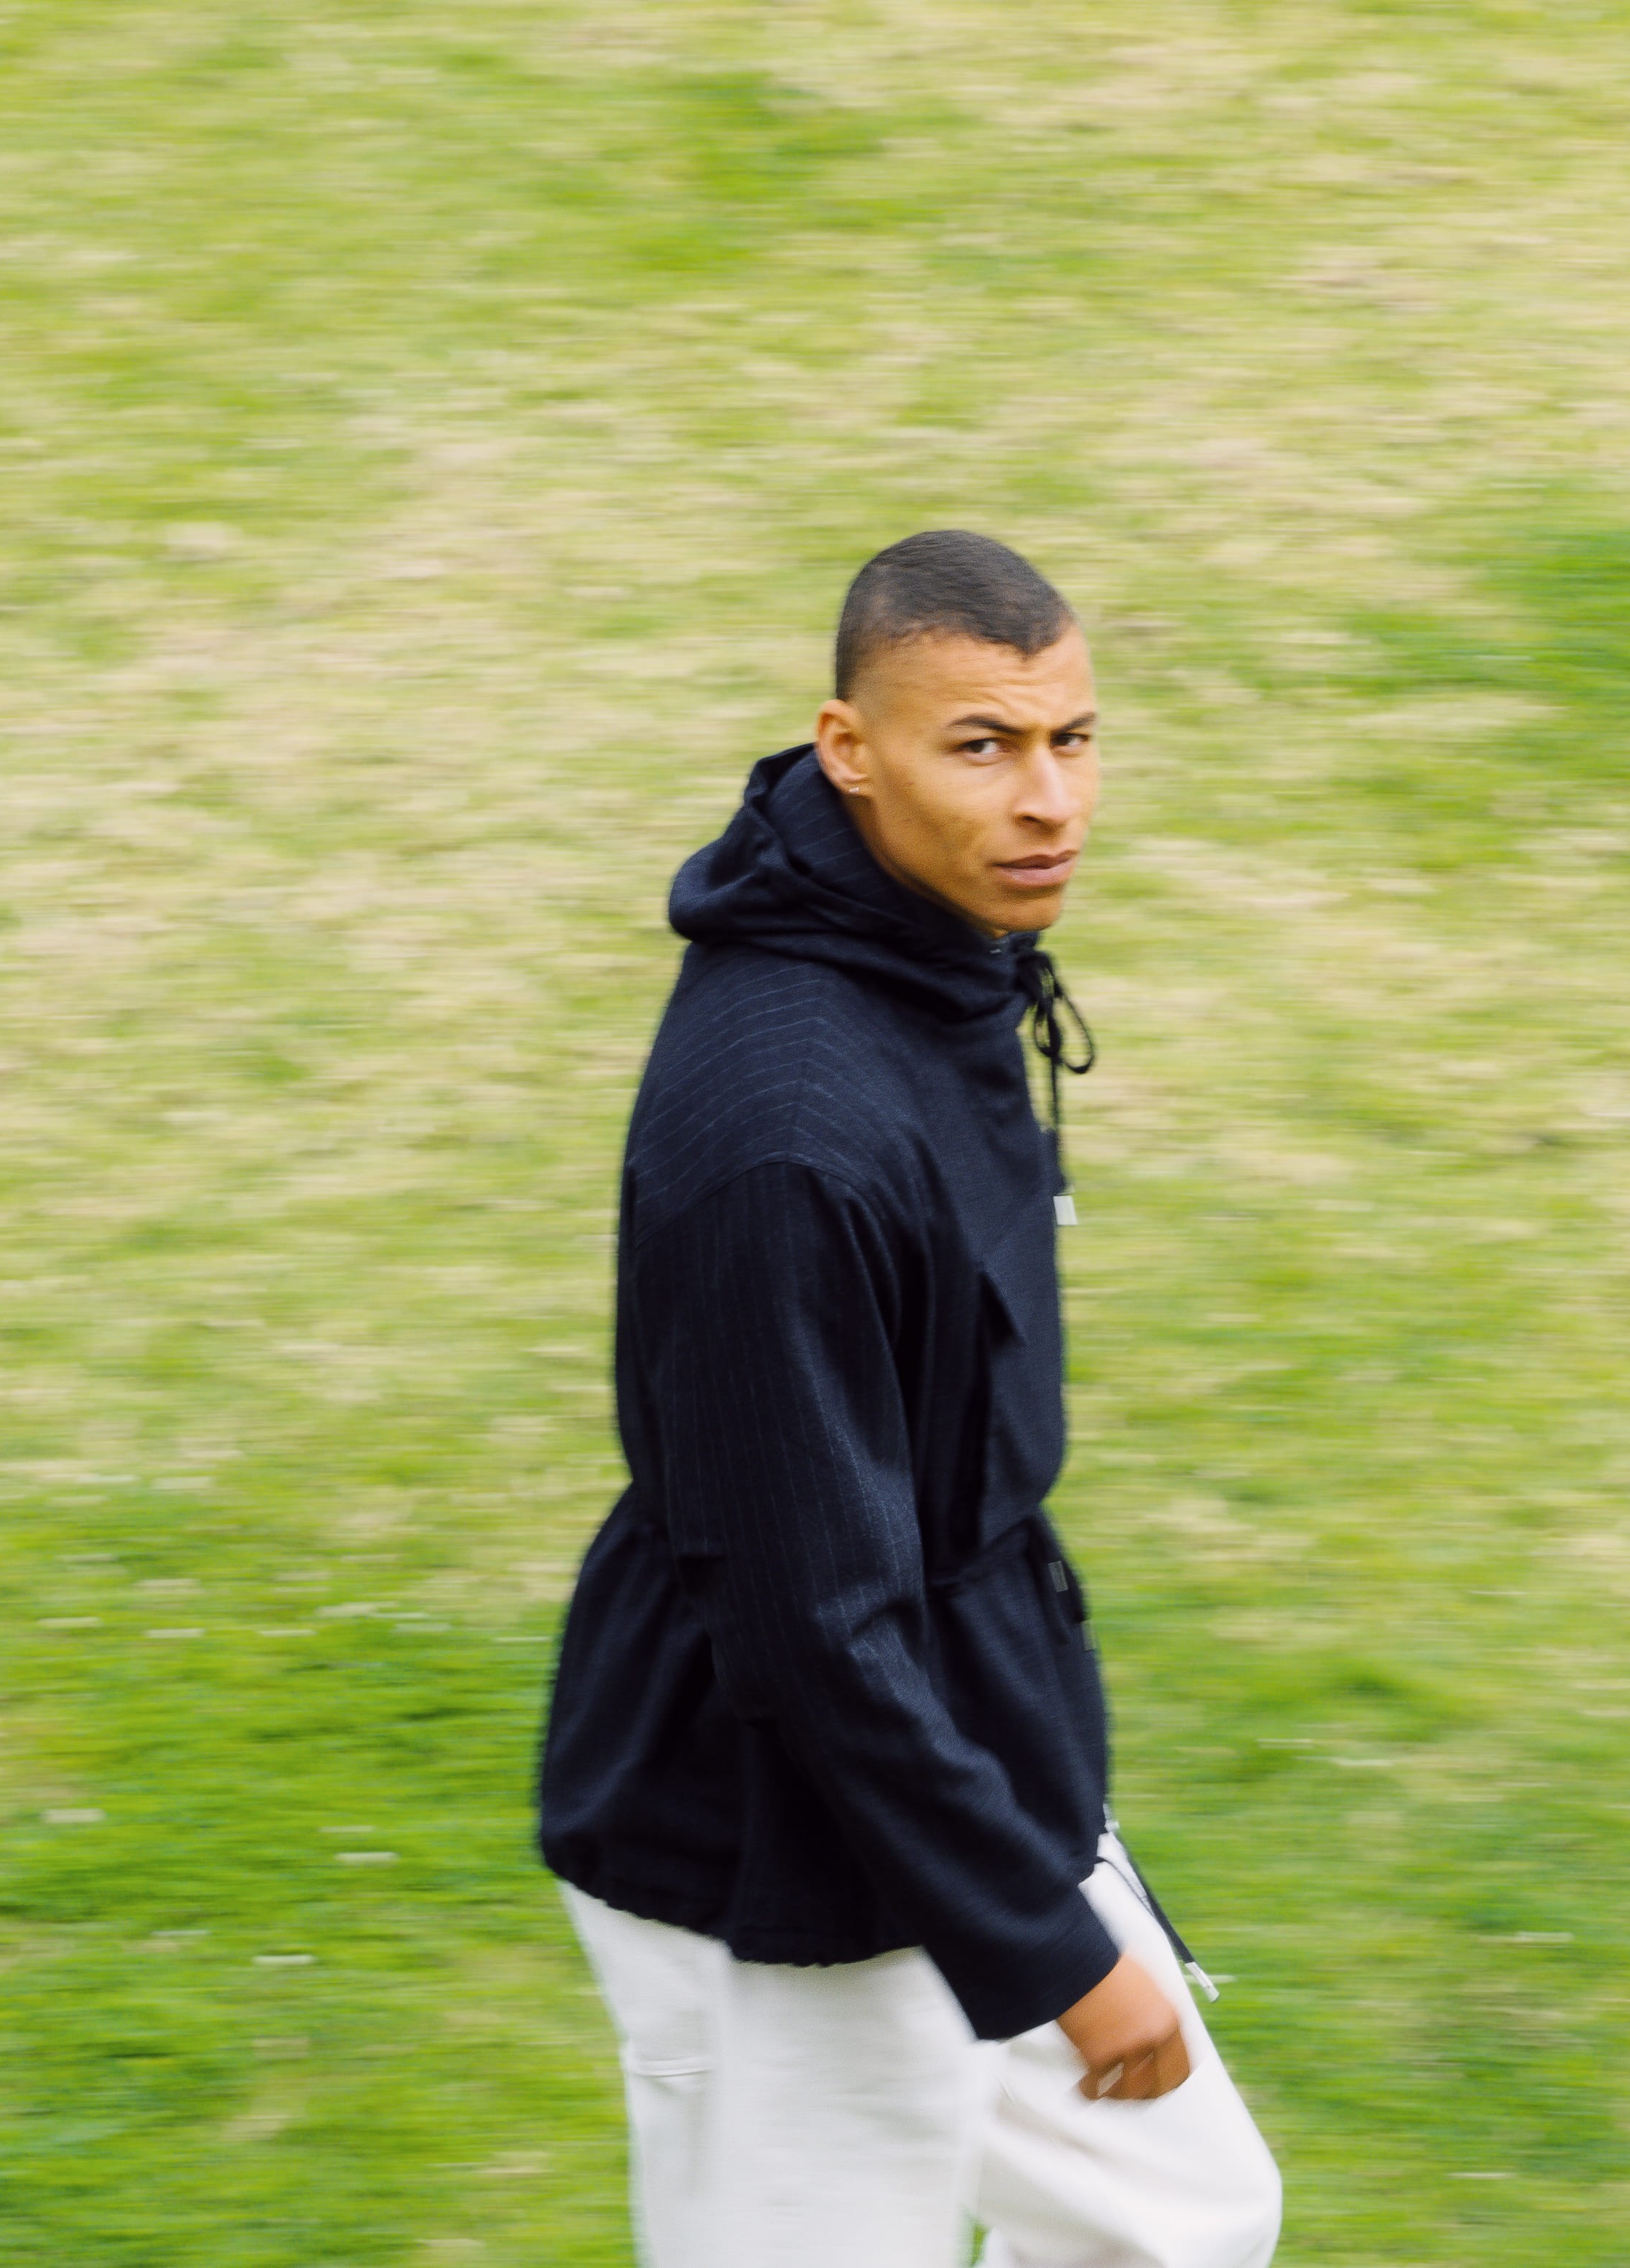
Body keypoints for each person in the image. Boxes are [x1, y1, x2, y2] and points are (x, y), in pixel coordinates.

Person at [539, 531, 1281, 2268]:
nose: (1048, 801)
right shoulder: (784, 1141)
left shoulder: (923, 938)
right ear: (847, 746)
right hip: (768, 1828)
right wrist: (1050, 1943)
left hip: (953, 1733)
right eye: (981, 745)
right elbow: (810, 1627)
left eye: (1071, 738)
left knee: (1176, 2215)